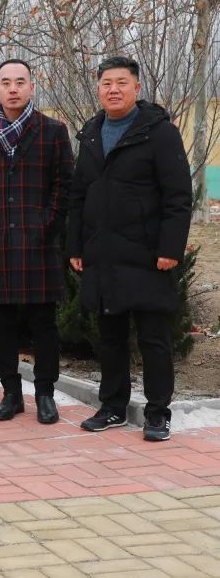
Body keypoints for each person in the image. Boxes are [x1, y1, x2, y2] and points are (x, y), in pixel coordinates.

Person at [68, 56, 192, 442]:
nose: (113, 90)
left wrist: (170, 248)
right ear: (99, 89)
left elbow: (178, 196)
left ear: (137, 88)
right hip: (102, 254)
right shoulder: (90, 133)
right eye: (106, 83)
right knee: (110, 336)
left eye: (122, 82)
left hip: (148, 254)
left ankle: (158, 413)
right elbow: (78, 196)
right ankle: (113, 407)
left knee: (154, 338)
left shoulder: (159, 132)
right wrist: (75, 245)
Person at [0, 59, 74, 424]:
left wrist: (44, 227)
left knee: (43, 323)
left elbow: (64, 188)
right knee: (1, 325)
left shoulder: (53, 131)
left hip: (39, 244)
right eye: (5, 82)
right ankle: (11, 393)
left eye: (20, 82)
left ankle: (45, 393)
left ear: (32, 86)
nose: (13, 88)